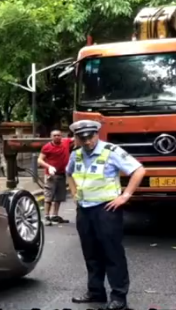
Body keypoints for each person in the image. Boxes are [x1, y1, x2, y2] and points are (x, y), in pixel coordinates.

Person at [66, 120, 146, 310]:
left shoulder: (111, 151)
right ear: (76, 138)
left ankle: (118, 297)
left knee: (112, 254)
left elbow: (139, 170)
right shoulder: (75, 155)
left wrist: (125, 196)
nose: (87, 142)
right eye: (82, 138)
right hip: (84, 210)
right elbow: (68, 173)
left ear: (97, 134)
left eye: (90, 137)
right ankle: (96, 292)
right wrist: (74, 193)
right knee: (90, 253)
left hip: (107, 209)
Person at [38, 129, 73, 225]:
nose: (57, 137)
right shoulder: (47, 147)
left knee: (59, 196)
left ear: (61, 136)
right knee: (48, 196)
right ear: (51, 137)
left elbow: (76, 139)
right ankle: (46, 216)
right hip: (51, 175)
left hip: (62, 174)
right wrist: (49, 167)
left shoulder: (66, 142)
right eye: (55, 135)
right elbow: (40, 160)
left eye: (58, 135)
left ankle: (54, 215)